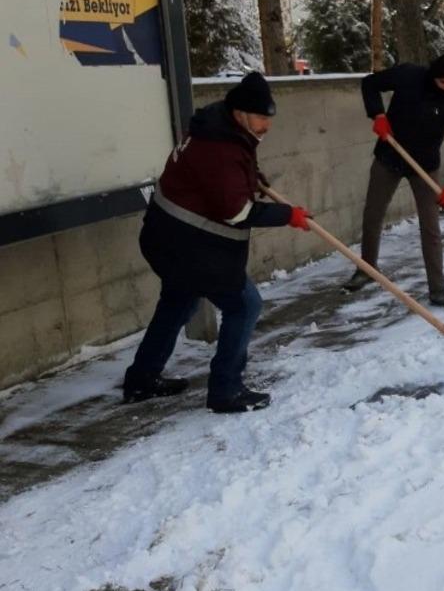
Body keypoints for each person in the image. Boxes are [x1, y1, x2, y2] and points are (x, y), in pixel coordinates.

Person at [123, 73, 309, 413]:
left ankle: (141, 379)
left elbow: (222, 179)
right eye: (260, 117)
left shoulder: (217, 126)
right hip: (188, 246)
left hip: (166, 238)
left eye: (269, 117)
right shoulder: (220, 148)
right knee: (244, 305)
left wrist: (251, 179)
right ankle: (226, 389)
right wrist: (287, 215)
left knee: (178, 301)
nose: (266, 125)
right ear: (239, 112)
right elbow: (236, 211)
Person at [344, 53, 444, 309]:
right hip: (389, 156)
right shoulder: (409, 76)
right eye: (443, 83)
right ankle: (367, 269)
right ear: (433, 77)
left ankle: (438, 289)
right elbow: (369, 84)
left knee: (430, 227)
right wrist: (378, 115)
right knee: (373, 214)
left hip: (425, 167)